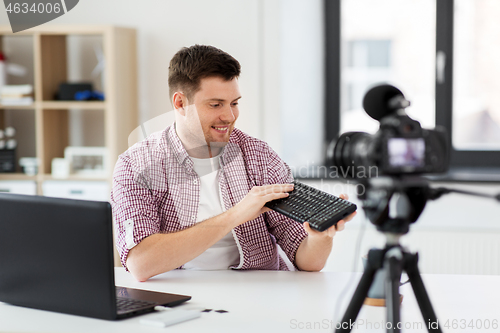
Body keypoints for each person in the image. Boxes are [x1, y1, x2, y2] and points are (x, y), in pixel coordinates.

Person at [111, 45, 356, 282]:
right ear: (180, 103)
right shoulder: (136, 166)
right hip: (179, 296)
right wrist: (237, 214)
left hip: (259, 295)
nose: (229, 116)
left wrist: (321, 237)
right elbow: (141, 263)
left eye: (234, 103)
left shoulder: (259, 156)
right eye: (215, 104)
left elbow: (308, 262)